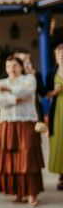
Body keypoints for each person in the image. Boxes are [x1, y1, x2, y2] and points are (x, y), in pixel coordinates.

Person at [0, 55, 44, 207]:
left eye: (14, 66)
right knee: (11, 156)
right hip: (8, 123)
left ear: (21, 67)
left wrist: (8, 90)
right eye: (8, 66)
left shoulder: (29, 79)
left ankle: (32, 194)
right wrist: (15, 99)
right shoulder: (0, 82)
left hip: (26, 122)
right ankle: (17, 192)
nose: (11, 70)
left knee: (28, 156)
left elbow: (28, 93)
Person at [46, 43, 63, 189]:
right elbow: (45, 93)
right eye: (59, 54)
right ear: (55, 56)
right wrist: (54, 92)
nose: (61, 57)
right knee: (59, 141)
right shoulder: (51, 73)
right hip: (58, 111)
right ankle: (62, 176)